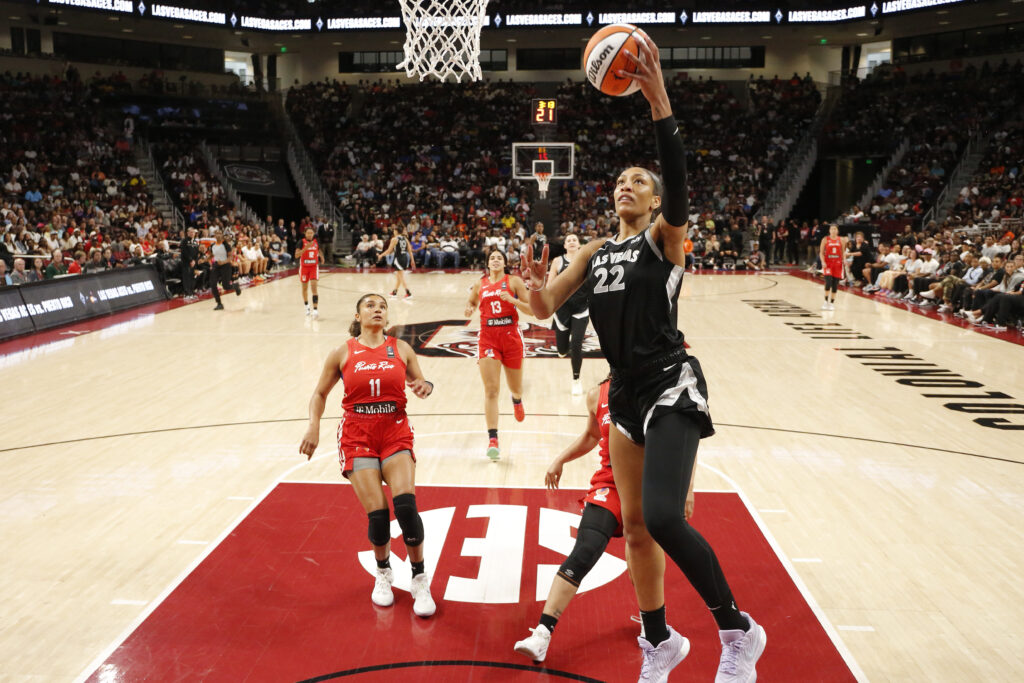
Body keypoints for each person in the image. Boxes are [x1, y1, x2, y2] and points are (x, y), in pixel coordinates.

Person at [522, 29, 765, 683]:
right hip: (624, 390)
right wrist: (529, 285)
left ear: (655, 201)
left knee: (661, 513)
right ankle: (660, 641)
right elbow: (545, 310)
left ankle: (738, 629)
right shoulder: (595, 252)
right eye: (621, 181)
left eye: (640, 181)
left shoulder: (665, 239)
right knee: (634, 529)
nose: (627, 185)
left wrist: (658, 99)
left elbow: (680, 182)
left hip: (670, 380)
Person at [514, 376, 698, 664]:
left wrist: (687, 487)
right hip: (610, 484)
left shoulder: (657, 387)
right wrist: (560, 459)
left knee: (641, 556)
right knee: (586, 548)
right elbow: (591, 435)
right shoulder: (596, 394)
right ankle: (542, 634)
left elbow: (685, 439)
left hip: (651, 485)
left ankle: (652, 624)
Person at [299, 293, 437, 618]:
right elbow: (319, 393)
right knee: (378, 515)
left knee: (405, 506)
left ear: (387, 316)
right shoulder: (342, 352)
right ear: (358, 315)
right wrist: (313, 427)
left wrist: (425, 387)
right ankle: (384, 573)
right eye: (370, 306)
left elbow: (423, 381)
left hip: (394, 430)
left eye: (382, 306)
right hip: (357, 434)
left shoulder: (401, 348)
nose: (377, 309)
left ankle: (419, 577)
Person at [464, 248, 533, 461]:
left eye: (499, 258)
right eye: (492, 258)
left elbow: (531, 309)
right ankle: (493, 439)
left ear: (504, 263)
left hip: (511, 337)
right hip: (488, 338)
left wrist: (513, 301)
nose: (495, 260)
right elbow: (472, 302)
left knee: (515, 387)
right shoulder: (480, 284)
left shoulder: (514, 282)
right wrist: (469, 309)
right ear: (487, 263)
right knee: (491, 390)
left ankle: (517, 399)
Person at [547, 233, 590, 395]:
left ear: (579, 244)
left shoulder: (586, 260)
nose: (571, 242)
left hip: (582, 308)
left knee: (577, 344)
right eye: (568, 240)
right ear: (564, 246)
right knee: (563, 350)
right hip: (562, 309)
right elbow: (550, 285)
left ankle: (576, 380)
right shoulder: (558, 261)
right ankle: (562, 349)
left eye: (574, 240)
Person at [377, 223, 414, 299]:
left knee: (401, 277)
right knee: (398, 276)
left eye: (394, 230)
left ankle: (408, 293)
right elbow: (410, 251)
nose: (393, 232)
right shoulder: (405, 239)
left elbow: (389, 251)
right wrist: (412, 260)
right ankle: (394, 292)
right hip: (405, 258)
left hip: (399, 259)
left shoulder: (394, 239)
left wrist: (381, 255)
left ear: (396, 231)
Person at [210, 230, 241, 311]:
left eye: (220, 233)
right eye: (217, 233)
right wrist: (204, 260)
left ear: (222, 235)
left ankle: (235, 286)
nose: (218, 235)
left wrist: (223, 262)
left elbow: (230, 257)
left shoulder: (226, 244)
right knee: (213, 284)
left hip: (225, 266)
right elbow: (211, 255)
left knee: (226, 286)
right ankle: (219, 303)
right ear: (215, 235)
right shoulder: (212, 245)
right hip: (216, 266)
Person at [297, 226, 324, 318]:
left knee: (314, 288)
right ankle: (306, 306)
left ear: (313, 234)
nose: (310, 234)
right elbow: (296, 255)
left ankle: (315, 310)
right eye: (308, 233)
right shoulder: (301, 242)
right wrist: (306, 248)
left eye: (311, 233)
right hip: (304, 268)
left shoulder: (316, 242)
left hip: (314, 267)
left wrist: (322, 256)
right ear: (305, 234)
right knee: (304, 289)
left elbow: (319, 250)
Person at [819, 224, 846, 310]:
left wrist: (844, 260)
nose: (833, 230)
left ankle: (831, 303)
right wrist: (823, 261)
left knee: (835, 284)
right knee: (828, 282)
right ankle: (825, 301)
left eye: (835, 229)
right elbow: (821, 252)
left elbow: (843, 252)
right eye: (832, 229)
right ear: (829, 230)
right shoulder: (825, 239)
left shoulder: (841, 240)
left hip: (837, 264)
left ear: (837, 231)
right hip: (828, 264)